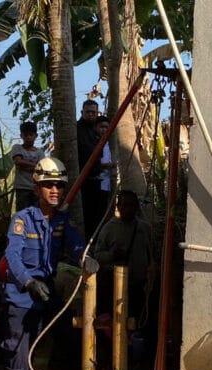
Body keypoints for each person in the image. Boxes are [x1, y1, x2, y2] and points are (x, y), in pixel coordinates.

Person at [0, 157, 98, 370]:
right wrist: (28, 282)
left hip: (48, 293)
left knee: (67, 341)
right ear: (36, 189)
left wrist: (86, 260)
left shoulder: (61, 220)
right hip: (23, 296)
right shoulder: (22, 219)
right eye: (48, 185)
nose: (55, 190)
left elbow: (76, 245)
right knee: (18, 357)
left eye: (59, 185)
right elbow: (12, 256)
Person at [93, 190, 153, 326]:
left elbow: (151, 256)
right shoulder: (108, 228)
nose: (128, 209)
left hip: (138, 287)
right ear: (118, 207)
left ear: (137, 207)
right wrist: (112, 255)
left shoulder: (145, 228)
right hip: (114, 287)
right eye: (124, 205)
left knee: (136, 322)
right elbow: (97, 256)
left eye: (132, 205)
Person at [77, 99, 105, 238]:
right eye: (88, 112)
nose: (91, 115)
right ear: (82, 112)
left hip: (96, 179)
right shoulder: (76, 129)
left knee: (96, 215)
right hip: (81, 180)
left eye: (93, 112)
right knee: (85, 214)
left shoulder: (97, 129)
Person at [11, 121, 46, 211]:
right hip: (22, 187)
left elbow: (41, 168)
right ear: (21, 136)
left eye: (31, 135)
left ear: (36, 136)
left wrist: (24, 164)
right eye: (26, 135)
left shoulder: (40, 152)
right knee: (22, 213)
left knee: (36, 212)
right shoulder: (17, 147)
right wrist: (35, 166)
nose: (28, 137)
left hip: (35, 188)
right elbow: (18, 162)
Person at [95, 115, 116, 223]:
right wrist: (107, 166)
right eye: (101, 127)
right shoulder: (94, 142)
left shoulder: (108, 143)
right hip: (96, 182)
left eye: (106, 127)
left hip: (106, 183)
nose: (104, 130)